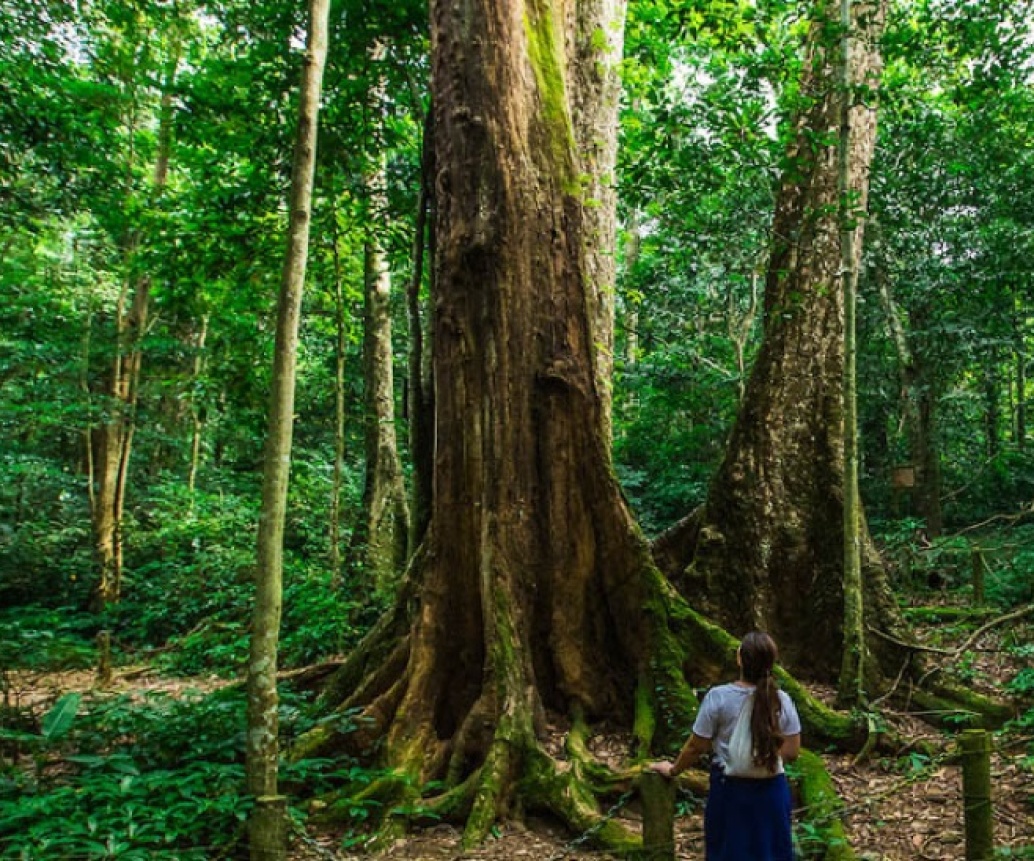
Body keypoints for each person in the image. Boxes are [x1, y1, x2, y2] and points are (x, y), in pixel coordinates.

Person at [649, 631, 801, 861]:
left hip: (730, 791)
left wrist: (673, 770)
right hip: (771, 792)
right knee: (770, 853)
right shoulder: (781, 700)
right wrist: (760, 759)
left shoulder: (718, 698)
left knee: (729, 852)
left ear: (739, 658)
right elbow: (792, 751)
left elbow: (695, 747)